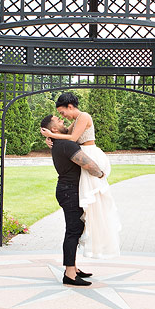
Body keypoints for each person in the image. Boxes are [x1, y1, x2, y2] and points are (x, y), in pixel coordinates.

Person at [40, 92, 122, 260]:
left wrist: (51, 135)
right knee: (88, 206)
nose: (63, 117)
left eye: (63, 113)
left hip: (91, 153)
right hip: (83, 154)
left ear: (70, 107)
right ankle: (78, 257)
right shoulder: (75, 121)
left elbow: (72, 138)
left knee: (94, 200)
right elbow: (66, 138)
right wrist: (51, 141)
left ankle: (92, 244)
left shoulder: (83, 116)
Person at [40, 114, 103, 285]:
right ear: (53, 129)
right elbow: (88, 164)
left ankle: (73, 268)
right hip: (70, 192)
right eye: (59, 120)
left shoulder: (58, 141)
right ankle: (69, 273)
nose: (63, 121)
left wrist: (48, 135)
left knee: (75, 229)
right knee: (73, 231)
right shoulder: (66, 144)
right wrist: (101, 173)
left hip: (67, 191)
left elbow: (77, 122)